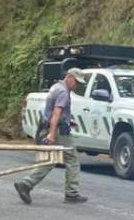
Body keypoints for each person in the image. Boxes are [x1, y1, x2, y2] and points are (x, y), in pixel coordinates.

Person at [15, 68, 87, 205]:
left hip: (50, 126)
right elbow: (56, 113)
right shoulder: (63, 92)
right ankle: (71, 193)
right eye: (76, 82)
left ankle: (26, 184)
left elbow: (52, 111)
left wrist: (68, 121)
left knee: (50, 160)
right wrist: (52, 134)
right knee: (72, 160)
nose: (77, 85)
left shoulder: (56, 87)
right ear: (69, 77)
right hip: (58, 131)